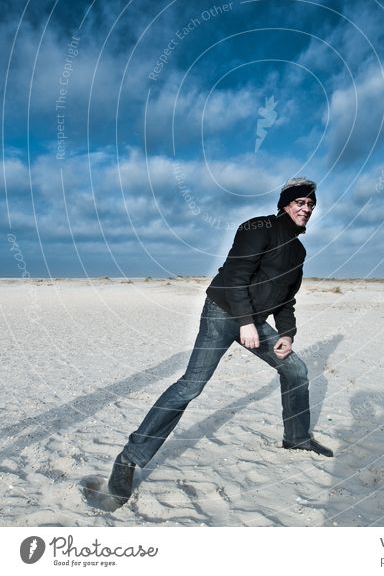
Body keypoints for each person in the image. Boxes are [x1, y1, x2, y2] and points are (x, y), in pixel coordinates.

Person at [107, 177, 333, 505]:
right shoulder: (257, 228)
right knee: (191, 385)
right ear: (285, 204)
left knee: (295, 369)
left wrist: (286, 333)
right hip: (222, 312)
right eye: (301, 202)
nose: (307, 208)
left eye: (311, 204)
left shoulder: (298, 250)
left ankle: (297, 438)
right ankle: (128, 459)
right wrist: (245, 323)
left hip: (252, 321)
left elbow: (286, 300)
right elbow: (235, 277)